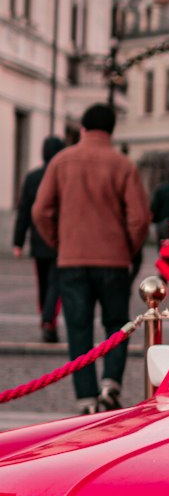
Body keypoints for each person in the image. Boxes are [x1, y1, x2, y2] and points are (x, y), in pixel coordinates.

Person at [32, 103, 151, 414]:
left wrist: (60, 243)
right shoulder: (123, 165)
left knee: (78, 328)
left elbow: (40, 211)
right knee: (117, 325)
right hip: (113, 262)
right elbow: (140, 219)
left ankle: (85, 399)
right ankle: (110, 384)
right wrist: (126, 247)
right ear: (111, 130)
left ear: (82, 128)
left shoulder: (60, 162)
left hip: (71, 260)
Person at [12, 136, 65, 342]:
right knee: (55, 283)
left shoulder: (32, 177)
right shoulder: (61, 176)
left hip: (37, 239)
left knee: (43, 283)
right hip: (58, 239)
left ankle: (46, 318)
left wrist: (18, 241)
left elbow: (24, 210)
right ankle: (48, 320)